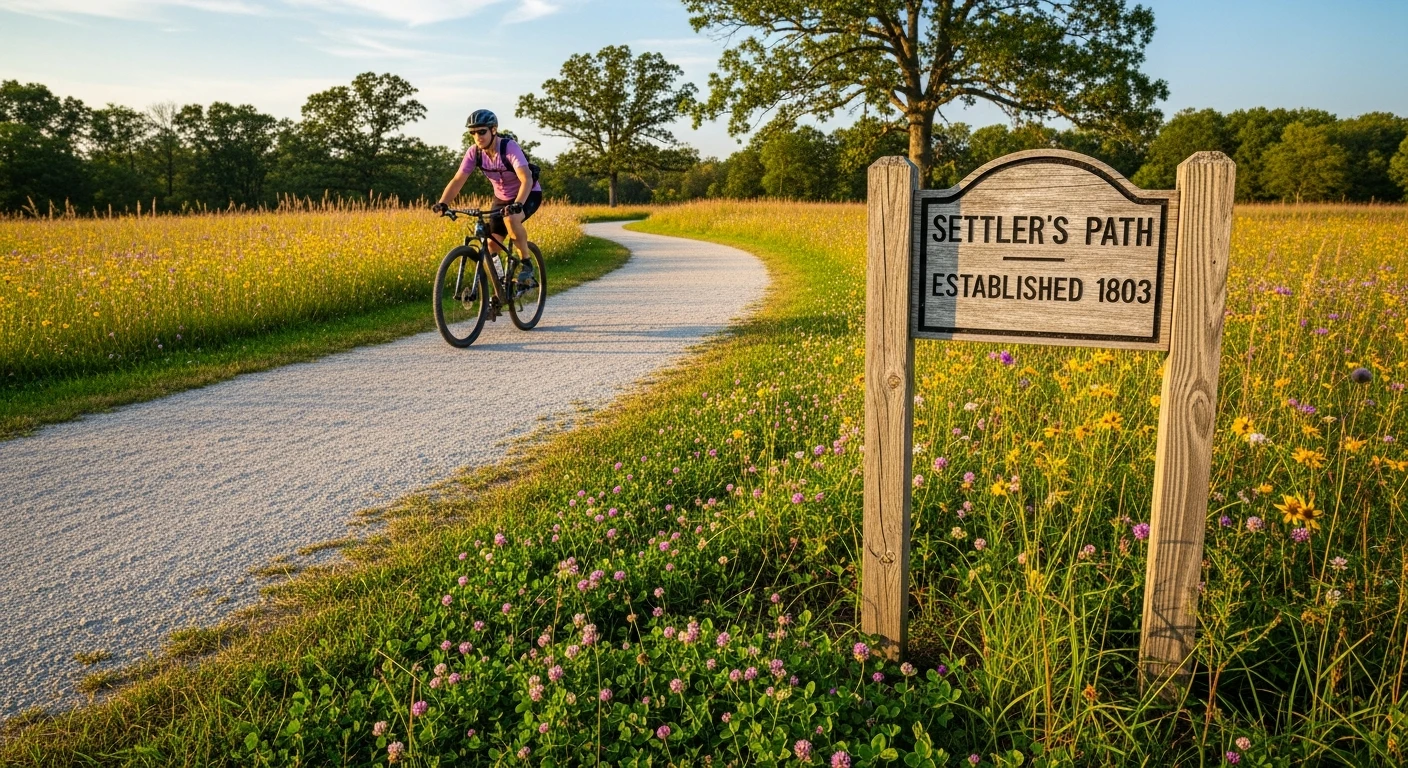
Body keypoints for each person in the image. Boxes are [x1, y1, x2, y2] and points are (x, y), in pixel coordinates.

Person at [432, 109, 542, 284]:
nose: (477, 136)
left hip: (527, 193)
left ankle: (527, 263)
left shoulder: (508, 147)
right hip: (501, 197)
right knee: (491, 246)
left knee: (512, 219)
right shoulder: (474, 153)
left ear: (493, 130)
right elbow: (458, 179)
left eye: (481, 131)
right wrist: (443, 203)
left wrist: (518, 204)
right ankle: (500, 288)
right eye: (473, 133)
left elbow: (526, 178)